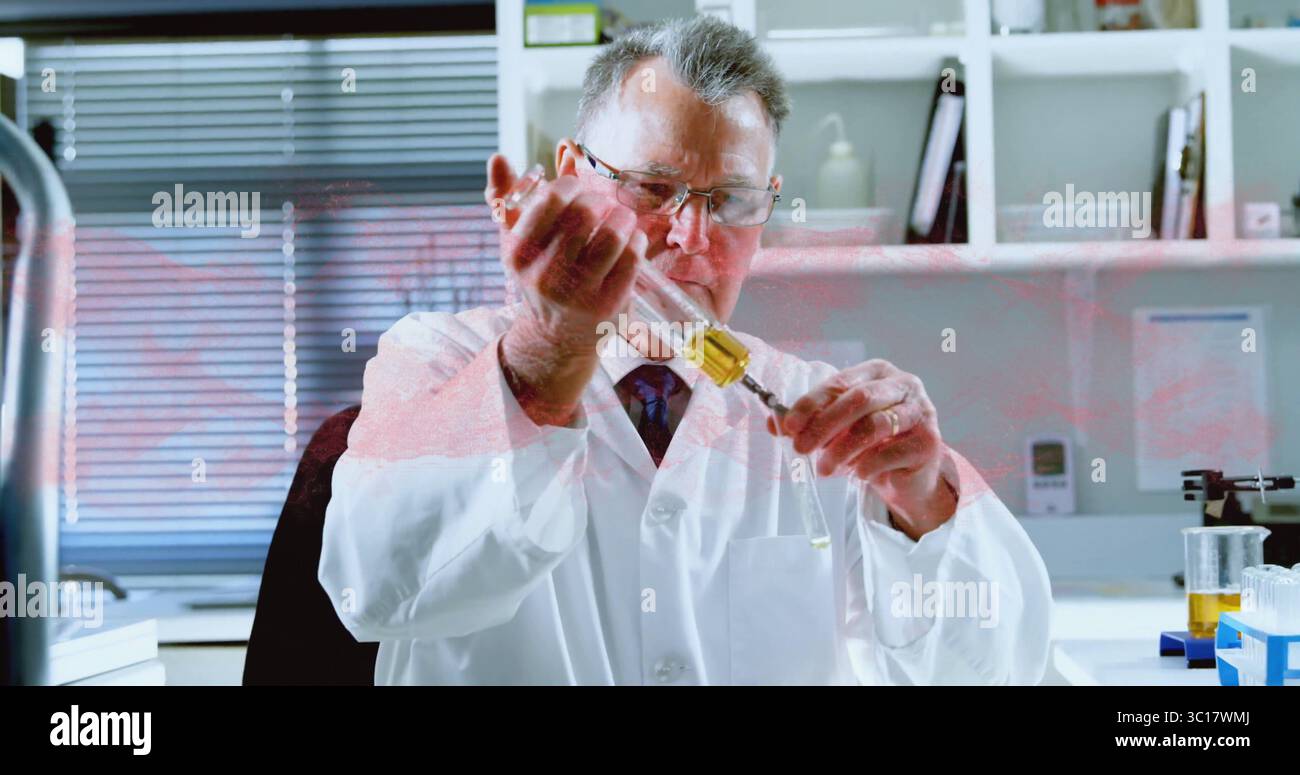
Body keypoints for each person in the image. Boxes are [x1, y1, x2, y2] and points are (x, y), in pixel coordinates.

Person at [318, 15, 1052, 685]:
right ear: (572, 173)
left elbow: (995, 670)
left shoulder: (827, 421)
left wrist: (923, 498)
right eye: (652, 187)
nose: (693, 238)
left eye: (730, 200)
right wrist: (546, 356)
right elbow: (370, 586)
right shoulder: (435, 357)